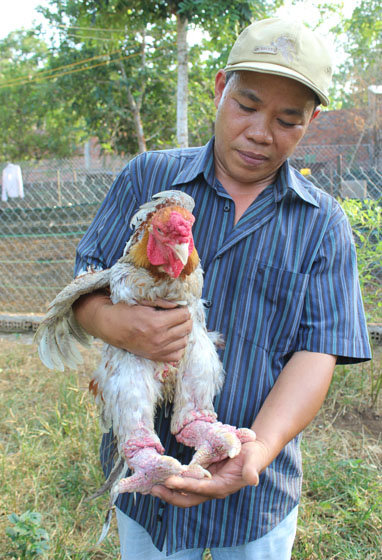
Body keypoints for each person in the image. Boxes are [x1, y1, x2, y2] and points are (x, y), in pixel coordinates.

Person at [73, 17, 371, 559]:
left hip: (258, 490)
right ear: (219, 88)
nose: (261, 132)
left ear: (312, 121)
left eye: (287, 120)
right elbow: (83, 283)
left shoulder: (321, 222)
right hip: (150, 484)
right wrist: (113, 322)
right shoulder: (148, 178)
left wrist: (258, 452)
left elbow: (319, 349)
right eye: (248, 105)